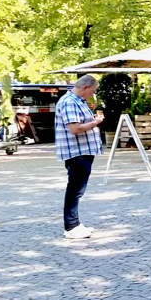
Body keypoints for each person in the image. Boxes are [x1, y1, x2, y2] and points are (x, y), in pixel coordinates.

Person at [54, 75, 104, 239]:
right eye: (92, 91)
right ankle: (71, 226)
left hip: (81, 151)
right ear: (85, 87)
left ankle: (74, 223)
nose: (92, 94)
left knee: (76, 190)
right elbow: (75, 129)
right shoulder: (70, 102)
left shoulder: (77, 101)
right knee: (75, 190)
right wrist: (95, 123)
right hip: (77, 152)